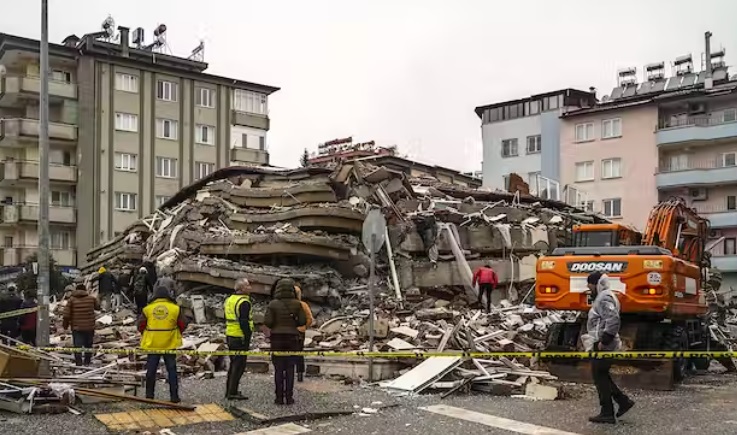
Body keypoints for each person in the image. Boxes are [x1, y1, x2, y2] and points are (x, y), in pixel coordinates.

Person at [584, 272, 635, 424]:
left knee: (600, 377)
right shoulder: (605, 296)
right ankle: (623, 401)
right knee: (602, 375)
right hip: (602, 343)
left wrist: (604, 340)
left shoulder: (604, 298)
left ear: (596, 284)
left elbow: (613, 319)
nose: (588, 287)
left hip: (604, 345)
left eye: (590, 284)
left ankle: (607, 412)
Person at [138, 286, 186, 403]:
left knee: (151, 371)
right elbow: (183, 324)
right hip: (170, 343)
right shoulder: (175, 309)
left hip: (153, 343)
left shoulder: (147, 309)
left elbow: (140, 326)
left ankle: (149, 396)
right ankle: (174, 397)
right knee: (172, 371)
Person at [264, 278, 306, 405]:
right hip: (292, 338)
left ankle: (278, 397)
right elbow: (302, 321)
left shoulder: (273, 304)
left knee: (278, 369)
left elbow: (268, 322)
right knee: (289, 368)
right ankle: (289, 397)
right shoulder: (297, 304)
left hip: (277, 338)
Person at [224, 278, 254, 400]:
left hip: (230, 334)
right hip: (239, 336)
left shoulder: (229, 300)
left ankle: (230, 390)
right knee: (239, 366)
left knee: (233, 364)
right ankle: (232, 392)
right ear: (242, 288)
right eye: (248, 285)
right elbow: (244, 322)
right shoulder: (244, 302)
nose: (250, 287)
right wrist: (247, 337)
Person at [63, 284, 100, 366]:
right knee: (88, 346)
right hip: (89, 327)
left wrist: (65, 326)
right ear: (85, 290)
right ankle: (87, 363)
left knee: (77, 346)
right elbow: (98, 307)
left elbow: (66, 315)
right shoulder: (91, 299)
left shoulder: (71, 300)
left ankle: (79, 364)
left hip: (77, 328)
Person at [294, 284, 313, 382]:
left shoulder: (283, 304)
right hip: (300, 332)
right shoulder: (303, 305)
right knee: (299, 352)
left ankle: (286, 372)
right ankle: (300, 373)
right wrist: (304, 327)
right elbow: (310, 318)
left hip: (287, 331)